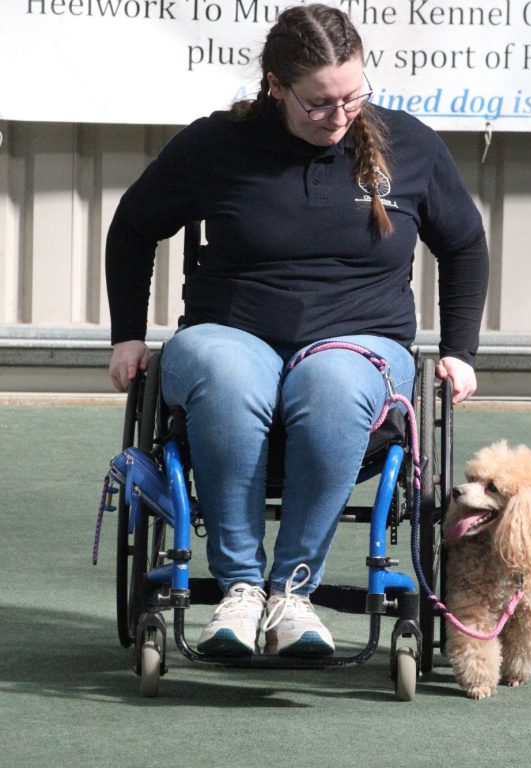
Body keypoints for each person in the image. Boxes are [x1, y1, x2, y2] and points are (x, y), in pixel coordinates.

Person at [106, 3, 489, 658]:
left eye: (352, 98)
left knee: (333, 380)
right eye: (318, 104)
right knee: (226, 373)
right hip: (229, 336)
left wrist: (460, 350)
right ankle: (241, 591)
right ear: (277, 88)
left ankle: (293, 592)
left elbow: (465, 244)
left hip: (360, 346)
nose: (338, 117)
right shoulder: (215, 145)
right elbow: (134, 226)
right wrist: (126, 334)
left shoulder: (411, 145)